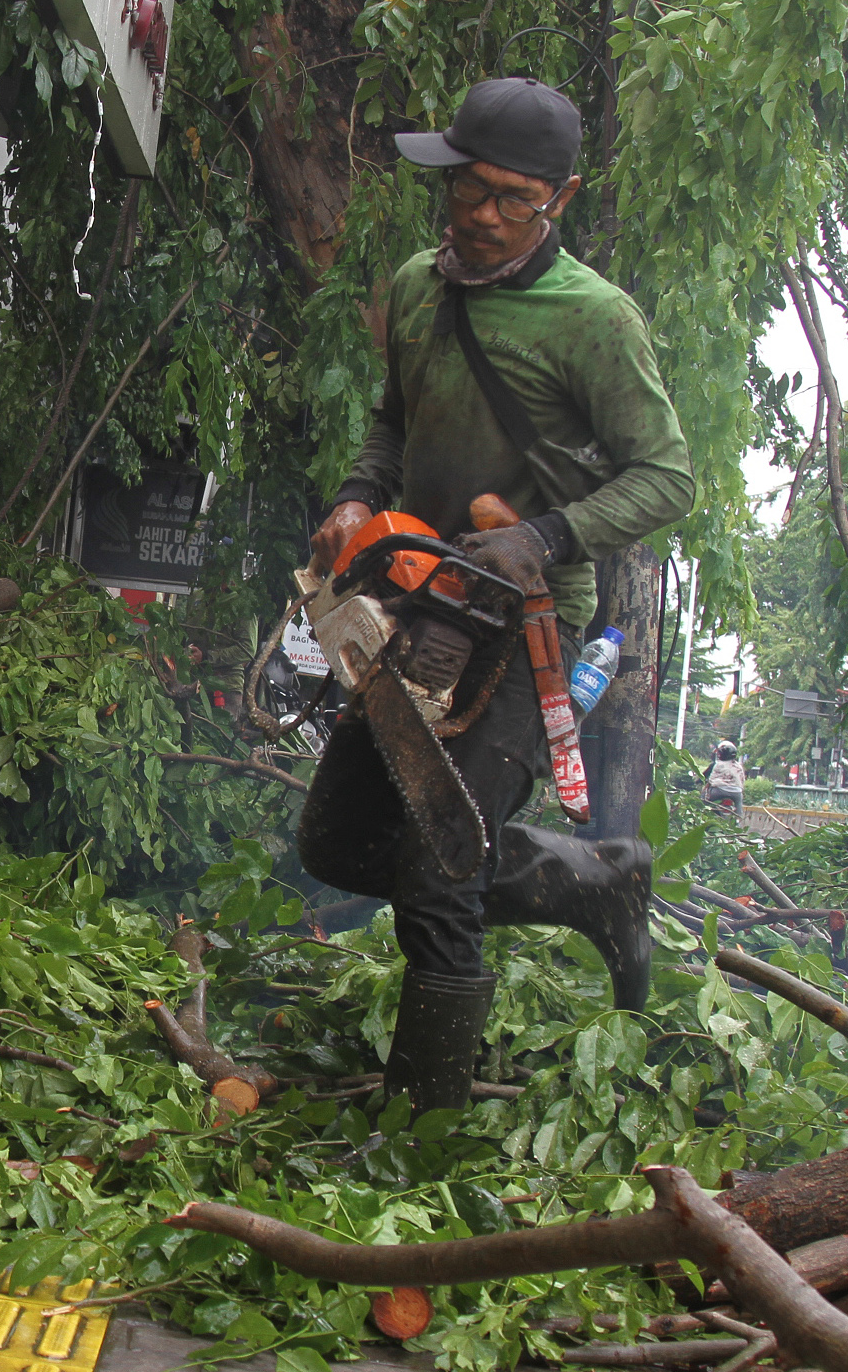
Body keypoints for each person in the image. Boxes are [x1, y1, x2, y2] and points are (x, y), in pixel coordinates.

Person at [294, 77, 696, 1114]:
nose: (477, 214)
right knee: (335, 839)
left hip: (522, 625)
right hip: (413, 601)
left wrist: (543, 533)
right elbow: (392, 418)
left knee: (439, 866)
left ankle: (422, 1130)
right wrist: (353, 496)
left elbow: (666, 477)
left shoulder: (594, 321)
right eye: (465, 189)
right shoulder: (418, 287)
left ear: (554, 201)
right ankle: (595, 881)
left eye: (507, 200)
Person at [705, 740, 745, 814]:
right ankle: (738, 821)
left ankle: (702, 816)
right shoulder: (738, 766)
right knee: (739, 808)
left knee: (705, 801)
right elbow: (742, 780)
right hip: (736, 792)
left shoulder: (718, 764)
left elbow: (711, 780)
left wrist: (706, 789)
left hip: (719, 791)